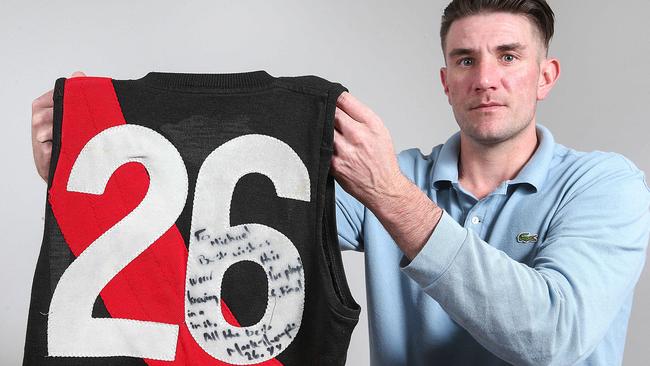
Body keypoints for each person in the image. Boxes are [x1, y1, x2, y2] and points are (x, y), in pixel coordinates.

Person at [30, 0, 650, 365]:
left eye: (509, 56)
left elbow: (554, 337)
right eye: (467, 59)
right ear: (445, 79)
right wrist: (88, 171)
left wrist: (388, 195)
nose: (486, 78)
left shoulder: (605, 185)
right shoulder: (396, 172)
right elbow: (225, 233)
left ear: (547, 75)